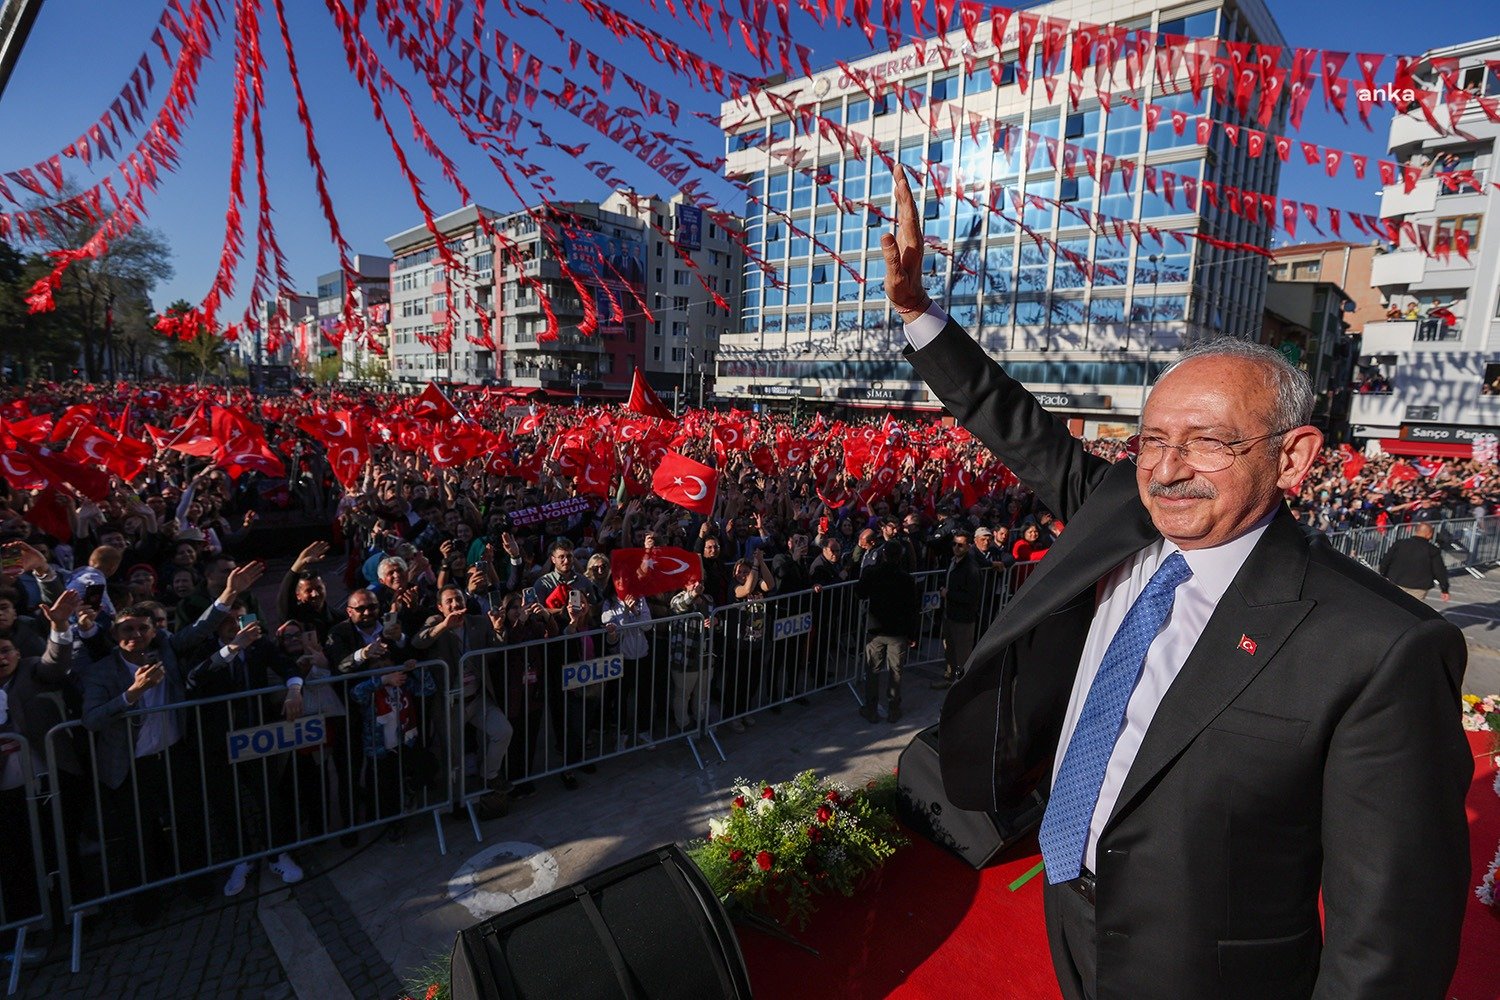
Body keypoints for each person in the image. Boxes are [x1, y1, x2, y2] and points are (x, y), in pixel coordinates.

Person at [883, 163, 1469, 999]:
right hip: (1066, 901)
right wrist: (917, 314)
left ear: (1293, 457)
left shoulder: (1380, 649)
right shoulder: (1119, 510)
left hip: (1207, 970)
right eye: (1152, 439)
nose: (1167, 469)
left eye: (1207, 442)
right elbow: (1012, 421)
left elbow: (1392, 935)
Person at [854, 541, 918, 724]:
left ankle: (871, 708)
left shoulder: (873, 573)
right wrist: (912, 634)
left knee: (873, 670)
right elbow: (912, 609)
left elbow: (859, 593)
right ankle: (893, 709)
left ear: (883, 555)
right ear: (899, 557)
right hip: (897, 632)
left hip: (876, 630)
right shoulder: (906, 579)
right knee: (896, 671)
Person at [933, 530, 983, 690]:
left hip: (963, 619)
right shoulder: (953, 561)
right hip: (949, 615)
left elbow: (972, 597)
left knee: (963, 655)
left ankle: (963, 688)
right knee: (949, 651)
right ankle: (950, 679)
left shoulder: (971, 568)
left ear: (968, 546)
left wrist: (949, 594)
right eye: (954, 544)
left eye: (960, 545)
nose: (956, 547)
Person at [1378, 523, 1451, 602]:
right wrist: (1444, 589)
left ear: (1416, 531)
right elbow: (1439, 571)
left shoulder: (1400, 544)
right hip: (1419, 587)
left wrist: (1383, 574)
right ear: (1429, 534)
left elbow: (1386, 560)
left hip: (1396, 581)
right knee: (1411, 611)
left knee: (1392, 605)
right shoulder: (1432, 550)